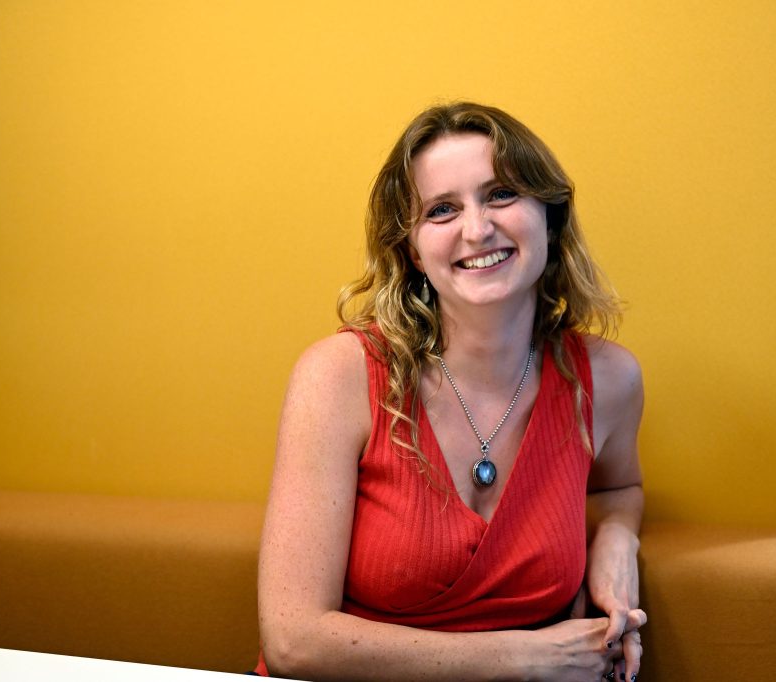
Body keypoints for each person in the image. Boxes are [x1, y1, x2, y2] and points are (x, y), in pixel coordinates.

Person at [256, 102, 646, 681]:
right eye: (442, 209)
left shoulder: (608, 380)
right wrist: (529, 659)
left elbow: (620, 486)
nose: (476, 228)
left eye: (501, 194)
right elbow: (293, 639)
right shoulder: (339, 376)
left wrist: (616, 542)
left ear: (550, 216)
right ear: (414, 251)